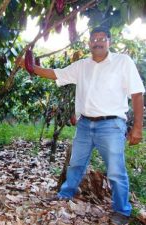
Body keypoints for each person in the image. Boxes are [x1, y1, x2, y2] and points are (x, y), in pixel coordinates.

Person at [17, 26, 144, 225]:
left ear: (109, 41)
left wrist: (137, 127)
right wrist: (30, 67)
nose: (98, 42)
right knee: (76, 163)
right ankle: (65, 194)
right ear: (89, 43)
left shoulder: (122, 62)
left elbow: (137, 94)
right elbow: (56, 74)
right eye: (94, 38)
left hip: (111, 125)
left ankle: (122, 211)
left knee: (116, 171)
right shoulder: (82, 65)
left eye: (102, 38)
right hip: (85, 124)